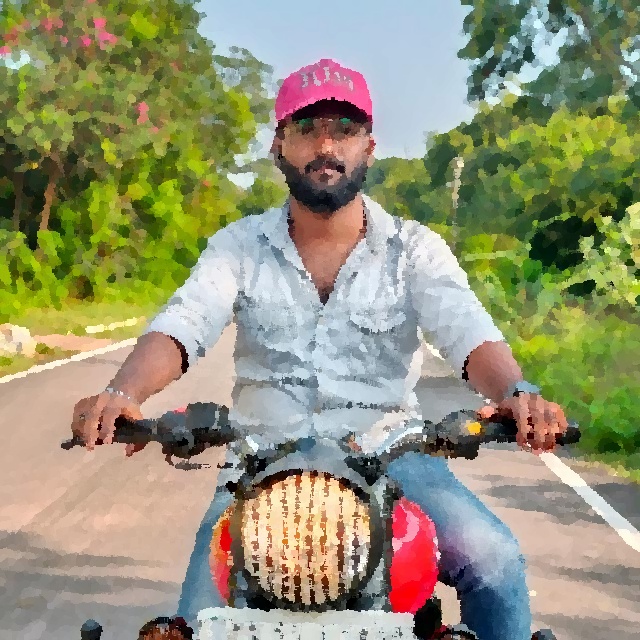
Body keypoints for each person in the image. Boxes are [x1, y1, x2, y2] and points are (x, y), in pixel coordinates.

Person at [70, 59, 569, 640]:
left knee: (494, 559)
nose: (326, 146)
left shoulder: (414, 250)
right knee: (200, 625)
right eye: (307, 129)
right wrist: (122, 391)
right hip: (259, 469)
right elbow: (185, 322)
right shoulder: (238, 247)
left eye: (344, 129)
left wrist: (517, 392)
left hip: (391, 457)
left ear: (369, 147)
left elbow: (466, 330)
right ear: (279, 145)